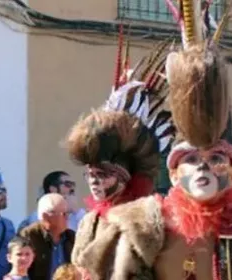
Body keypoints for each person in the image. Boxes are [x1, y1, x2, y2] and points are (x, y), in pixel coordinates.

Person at [73, 4, 232, 279]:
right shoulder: (142, 227)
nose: (202, 168)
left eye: (215, 158)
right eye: (191, 159)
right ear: (172, 173)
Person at [66, 25, 166, 274]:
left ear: (125, 176)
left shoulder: (146, 220)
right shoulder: (89, 220)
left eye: (102, 174)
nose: (94, 182)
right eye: (90, 174)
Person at [18, 194, 74, 280]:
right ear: (46, 217)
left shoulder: (71, 237)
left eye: (68, 213)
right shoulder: (28, 236)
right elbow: (20, 271)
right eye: (64, 214)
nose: (67, 217)